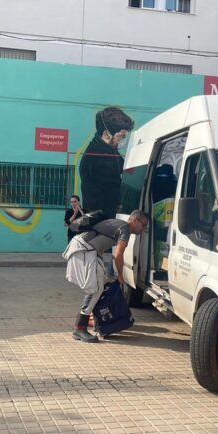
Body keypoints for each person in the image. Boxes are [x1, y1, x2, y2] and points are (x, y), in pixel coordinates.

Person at [63, 210, 149, 342]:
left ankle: (96, 321)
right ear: (135, 220)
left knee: (102, 285)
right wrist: (120, 275)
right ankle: (80, 328)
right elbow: (118, 255)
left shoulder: (120, 225)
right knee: (95, 290)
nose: (143, 230)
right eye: (143, 225)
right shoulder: (125, 228)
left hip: (86, 250)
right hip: (84, 250)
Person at [79, 107, 134, 219]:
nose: (123, 140)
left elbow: (125, 168)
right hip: (101, 222)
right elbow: (116, 188)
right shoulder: (98, 157)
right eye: (121, 136)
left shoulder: (108, 149)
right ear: (106, 134)